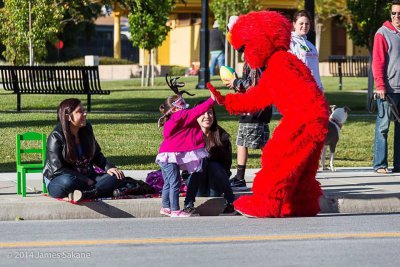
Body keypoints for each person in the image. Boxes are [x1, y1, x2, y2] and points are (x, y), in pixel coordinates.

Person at [223, 16, 272, 190]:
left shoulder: (253, 55)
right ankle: (251, 175)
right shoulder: (256, 51)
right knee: (255, 140)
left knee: (248, 141)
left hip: (255, 106)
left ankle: (243, 177)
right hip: (261, 105)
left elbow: (253, 84)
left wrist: (235, 83)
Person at [43, 98, 125, 202]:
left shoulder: (87, 129)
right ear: (68, 117)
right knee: (68, 182)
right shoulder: (56, 136)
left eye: (84, 110)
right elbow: (57, 170)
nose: (85, 114)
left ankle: (86, 194)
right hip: (60, 180)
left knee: (116, 176)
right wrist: (86, 180)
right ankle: (96, 190)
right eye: (79, 112)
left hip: (88, 177)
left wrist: (108, 167)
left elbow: (96, 155)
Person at [156, 79, 216, 217]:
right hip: (169, 156)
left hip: (165, 156)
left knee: (168, 183)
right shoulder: (181, 115)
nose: (185, 105)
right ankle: (175, 210)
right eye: (182, 103)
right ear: (175, 107)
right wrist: (211, 100)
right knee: (175, 182)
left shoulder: (174, 118)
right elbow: (197, 110)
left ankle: (166, 207)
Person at [188, 101, 236, 215]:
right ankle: (188, 205)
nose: (207, 116)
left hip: (215, 185)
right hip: (196, 185)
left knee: (213, 164)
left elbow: (227, 166)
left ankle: (231, 203)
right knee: (202, 162)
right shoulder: (190, 135)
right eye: (202, 113)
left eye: (210, 113)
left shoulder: (221, 136)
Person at [372, 0, 400, 174]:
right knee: (383, 127)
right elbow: (378, 61)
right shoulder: (382, 33)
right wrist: (380, 85)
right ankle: (380, 164)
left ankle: (399, 164)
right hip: (388, 91)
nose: (397, 16)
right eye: (394, 13)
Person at [289, 10, 324, 91]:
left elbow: (315, 69)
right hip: (299, 89)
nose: (304, 26)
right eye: (301, 23)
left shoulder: (311, 45)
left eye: (307, 24)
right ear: (294, 24)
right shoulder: (290, 42)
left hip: (315, 88)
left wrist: (320, 86)